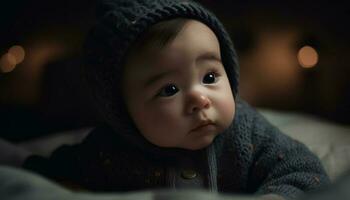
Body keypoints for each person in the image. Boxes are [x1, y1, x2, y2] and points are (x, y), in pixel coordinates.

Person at [22, 0, 330, 199]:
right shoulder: (108, 149)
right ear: (122, 113)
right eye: (168, 89)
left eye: (210, 77)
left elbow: (302, 170)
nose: (199, 97)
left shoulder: (246, 131)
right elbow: (45, 170)